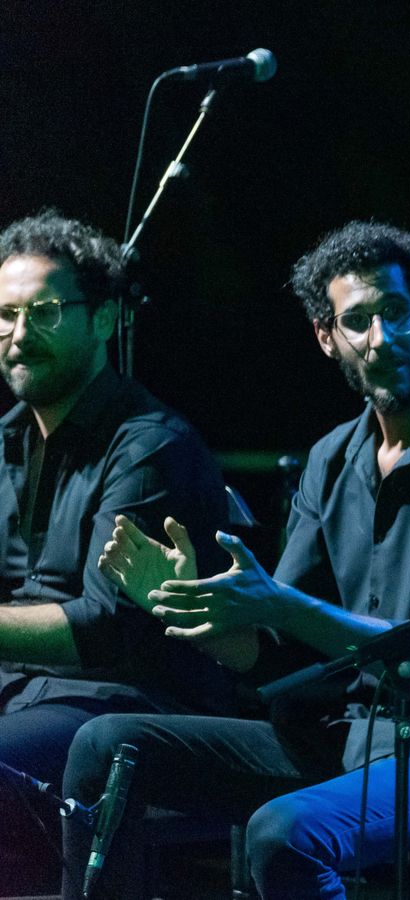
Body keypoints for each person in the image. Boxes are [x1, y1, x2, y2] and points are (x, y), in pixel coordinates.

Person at [64, 221, 410, 899]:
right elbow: (283, 660)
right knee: (104, 745)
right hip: (345, 743)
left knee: (284, 833)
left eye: (396, 312)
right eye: (358, 321)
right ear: (326, 338)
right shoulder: (332, 459)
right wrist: (206, 615)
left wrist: (278, 604)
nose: (382, 339)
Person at [0, 211, 233, 895]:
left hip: (126, 705)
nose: (18, 336)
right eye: (4, 316)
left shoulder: (149, 444)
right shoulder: (7, 440)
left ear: (102, 320)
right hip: (24, 695)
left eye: (42, 312)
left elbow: (106, 626)